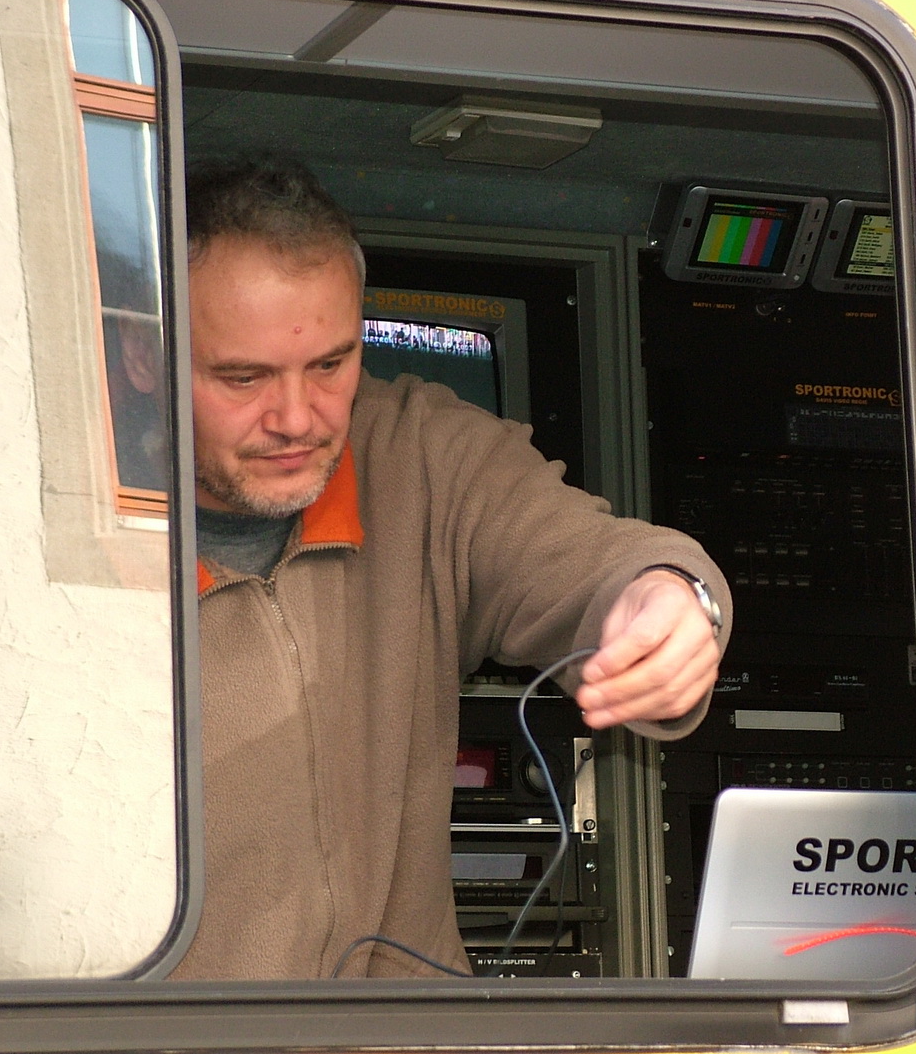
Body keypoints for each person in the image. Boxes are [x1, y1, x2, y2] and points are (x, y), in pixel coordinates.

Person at [168, 161, 730, 979]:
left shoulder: (423, 453)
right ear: (143, 356)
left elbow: (601, 560)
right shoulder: (52, 508)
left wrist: (675, 597)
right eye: (242, 377)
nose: (296, 418)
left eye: (330, 365)